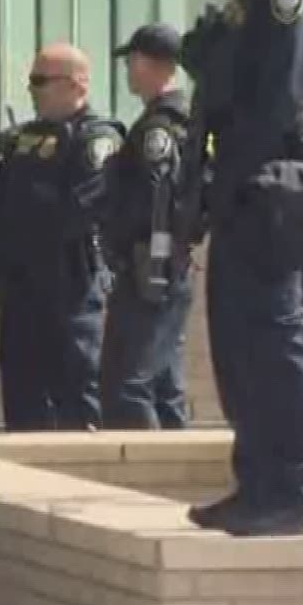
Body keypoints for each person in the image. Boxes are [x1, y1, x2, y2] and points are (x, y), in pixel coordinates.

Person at [184, 0, 303, 537]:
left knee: (275, 339)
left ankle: (296, 489)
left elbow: (282, 92)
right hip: (243, 181)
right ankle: (257, 482)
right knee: (238, 341)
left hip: (272, 183)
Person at [0, 43, 123, 432]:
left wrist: (24, 224)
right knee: (21, 390)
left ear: (76, 84)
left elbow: (79, 209)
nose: (32, 89)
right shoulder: (24, 140)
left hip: (68, 286)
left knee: (75, 390)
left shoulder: (96, 138)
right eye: (31, 81)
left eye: (41, 81)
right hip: (21, 286)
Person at [100, 23, 193, 430]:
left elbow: (158, 204)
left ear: (148, 63)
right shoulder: (175, 119)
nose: (128, 71)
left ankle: (139, 480)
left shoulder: (160, 127)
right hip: (160, 265)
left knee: (128, 384)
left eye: (132, 62)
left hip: (149, 267)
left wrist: (151, 265)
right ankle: (179, 472)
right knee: (163, 384)